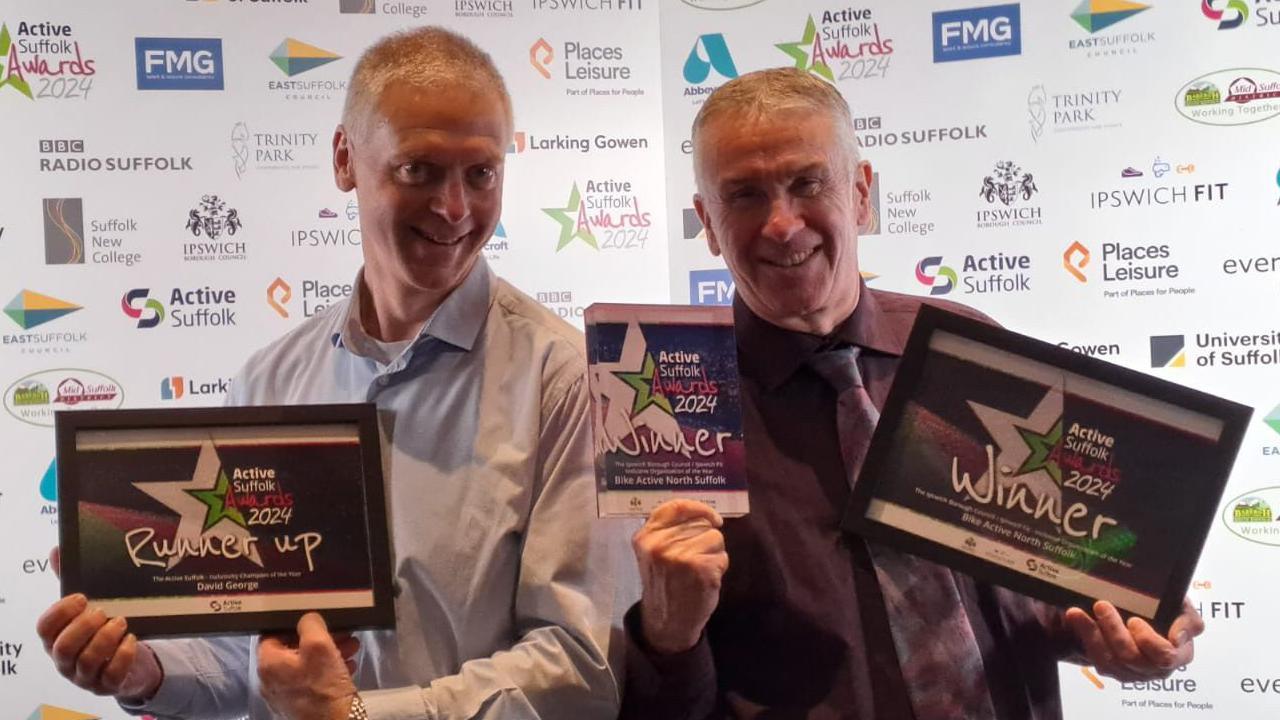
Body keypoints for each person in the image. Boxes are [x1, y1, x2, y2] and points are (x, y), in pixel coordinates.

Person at [36, 27, 631, 720]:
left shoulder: (567, 381)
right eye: (419, 169)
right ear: (346, 160)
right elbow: (243, 666)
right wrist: (145, 670)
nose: (454, 208)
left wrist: (350, 715)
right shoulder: (270, 381)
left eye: (481, 172)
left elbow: (579, 666)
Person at [621, 67, 1205, 720]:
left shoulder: (970, 348)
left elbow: (1058, 589)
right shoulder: (668, 402)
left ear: (862, 193)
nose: (783, 224)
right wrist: (667, 636)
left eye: (808, 183)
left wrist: (1125, 622)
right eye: (745, 195)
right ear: (706, 219)